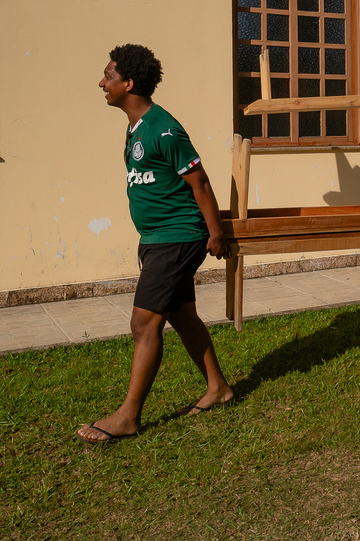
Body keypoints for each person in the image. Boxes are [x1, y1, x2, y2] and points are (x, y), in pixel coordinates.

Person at [77, 44, 233, 444]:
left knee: (143, 322)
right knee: (181, 316)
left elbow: (199, 182)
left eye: (108, 77)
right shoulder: (135, 128)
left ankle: (128, 416)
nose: (102, 83)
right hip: (156, 239)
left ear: (128, 84)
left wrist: (215, 233)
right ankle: (218, 388)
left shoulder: (164, 128)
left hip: (178, 238)